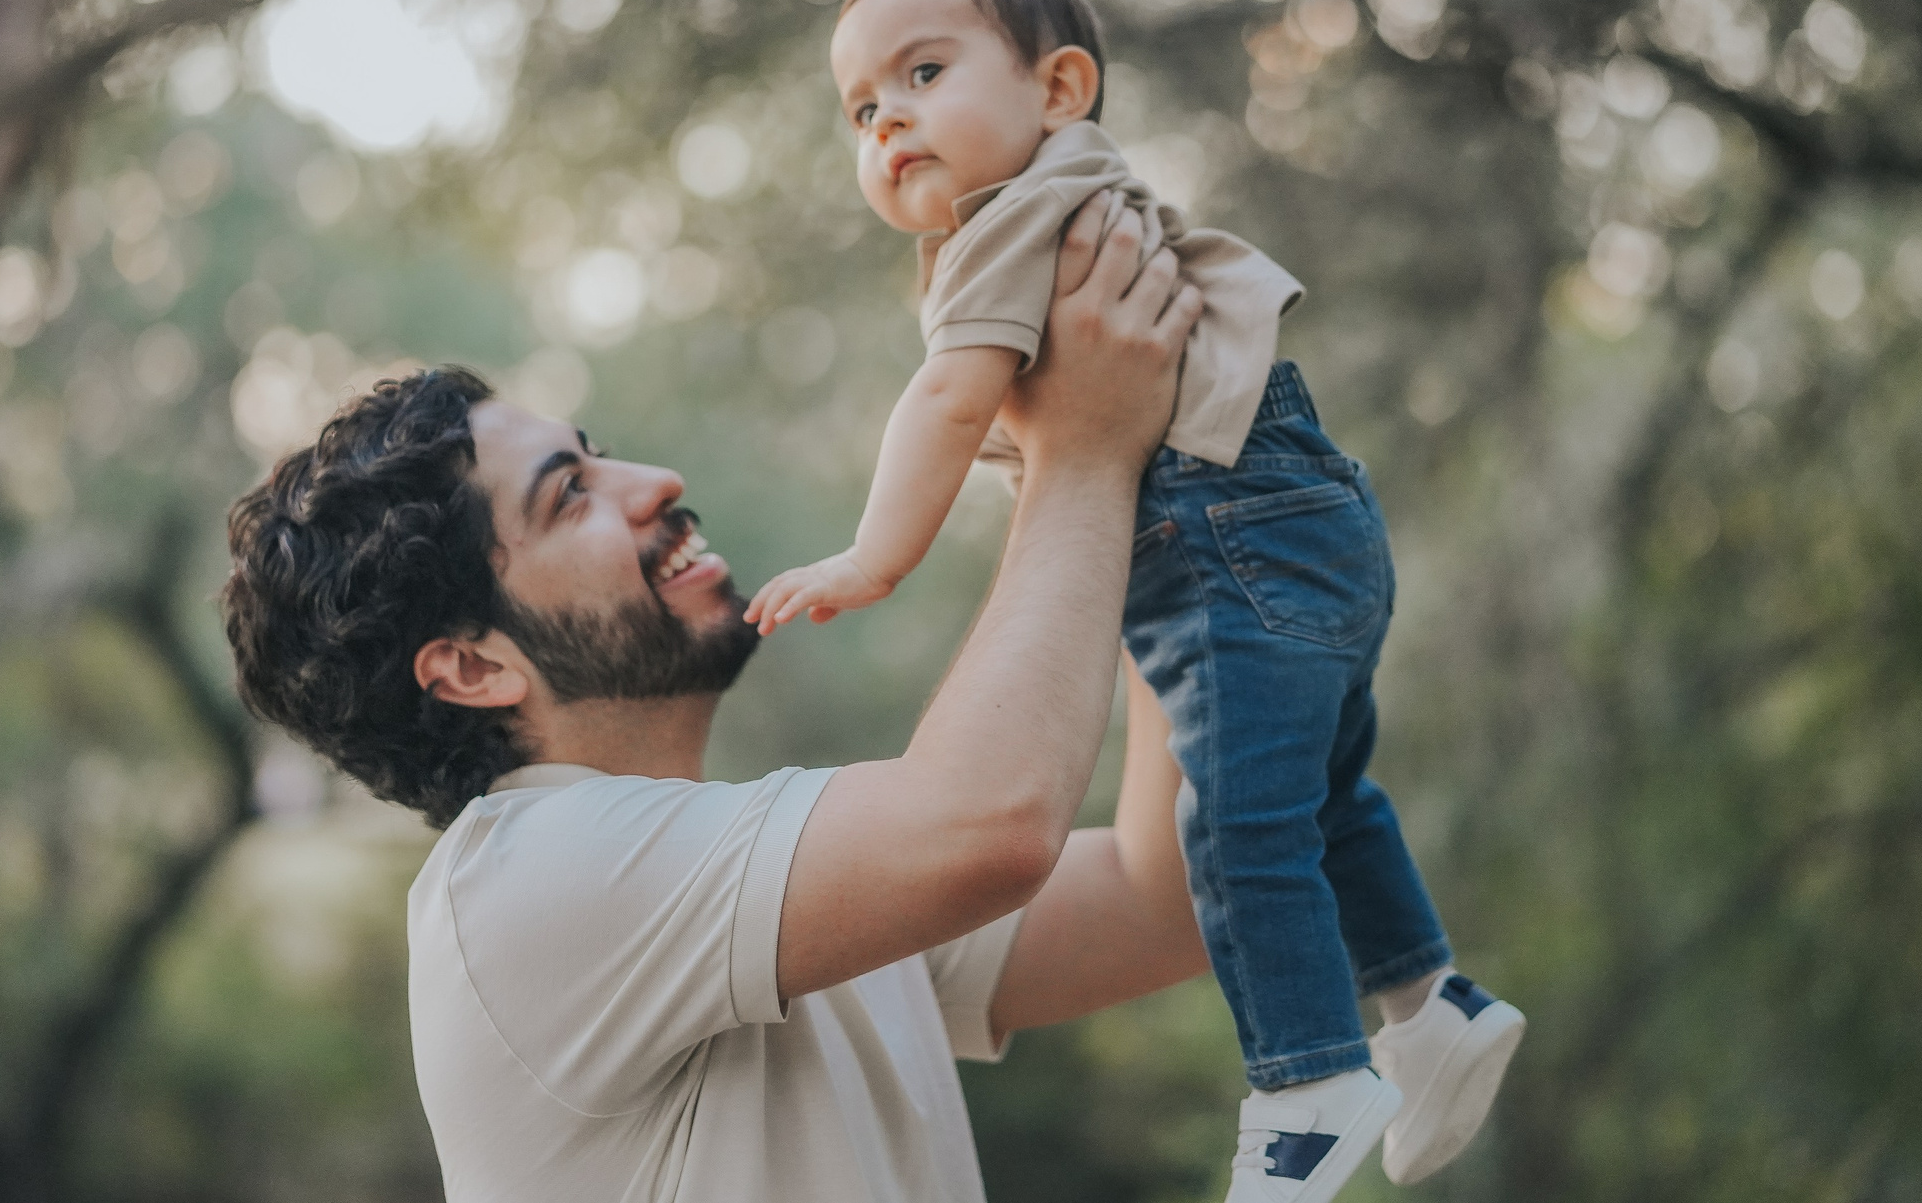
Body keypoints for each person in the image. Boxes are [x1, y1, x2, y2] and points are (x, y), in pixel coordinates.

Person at [743, 0, 1523, 1202]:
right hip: (1305, 515)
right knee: (1320, 791)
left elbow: (947, 398)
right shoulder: (1075, 189)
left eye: (924, 73)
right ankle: (1430, 1004)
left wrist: (873, 556)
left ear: (1059, 87)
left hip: (1220, 534)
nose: (888, 120)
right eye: (861, 108)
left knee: (1234, 821)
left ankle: (1308, 1079)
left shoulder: (1006, 219)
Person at [221, 210, 1218, 1201]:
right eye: (570, 494)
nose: (655, 481)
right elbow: (990, 821)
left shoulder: (766, 879)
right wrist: (1084, 450)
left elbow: (1164, 900)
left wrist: (1140, 475)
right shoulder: (514, 887)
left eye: (596, 452)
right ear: (473, 667)